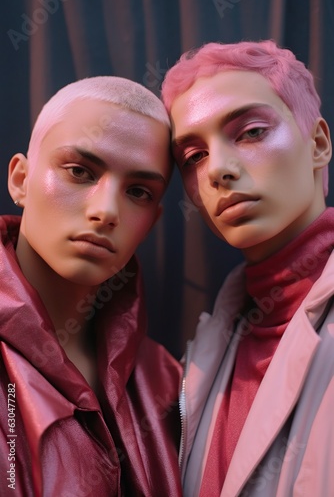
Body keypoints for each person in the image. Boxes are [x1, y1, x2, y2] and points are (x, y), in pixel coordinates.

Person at [161, 40, 334, 496]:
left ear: (318, 143)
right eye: (193, 156)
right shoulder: (202, 354)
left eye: (252, 131)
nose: (217, 169)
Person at [0, 76, 183, 496]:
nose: (105, 211)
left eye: (138, 191)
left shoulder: (167, 381)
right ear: (20, 180)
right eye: (80, 171)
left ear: (152, 221)